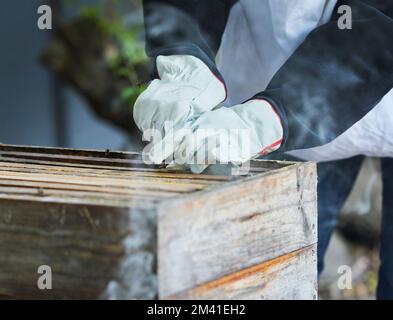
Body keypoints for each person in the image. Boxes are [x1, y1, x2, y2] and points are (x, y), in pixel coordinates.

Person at [133, 0, 393, 299]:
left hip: (319, 93)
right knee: (272, 275)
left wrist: (270, 119)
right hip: (267, 82)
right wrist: (184, 53)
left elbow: (377, 25)